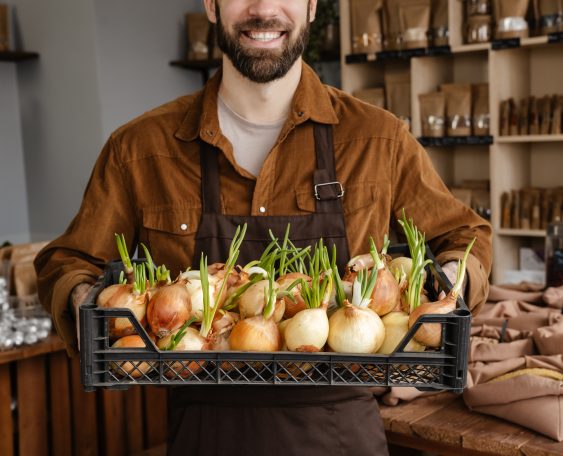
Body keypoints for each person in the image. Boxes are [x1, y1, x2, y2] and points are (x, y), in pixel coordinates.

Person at [35, 0, 493, 454]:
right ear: (211, 5)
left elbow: (464, 237)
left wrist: (444, 293)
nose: (263, 8)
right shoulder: (140, 149)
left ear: (312, 6)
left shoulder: (378, 140)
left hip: (339, 436)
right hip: (202, 432)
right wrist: (85, 301)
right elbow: (70, 261)